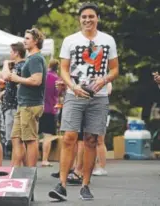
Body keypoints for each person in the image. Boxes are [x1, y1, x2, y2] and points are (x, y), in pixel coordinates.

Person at [48, 2, 119, 201]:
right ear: (80, 19)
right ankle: (61, 184)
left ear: (97, 18)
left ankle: (85, 185)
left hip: (99, 97)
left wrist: (104, 79)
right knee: (69, 137)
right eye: (84, 17)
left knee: (91, 140)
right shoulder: (70, 40)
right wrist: (72, 86)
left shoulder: (108, 40)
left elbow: (114, 69)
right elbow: (63, 68)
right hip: (74, 95)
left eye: (91, 16)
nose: (87, 20)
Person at [3, 28, 47, 167]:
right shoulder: (31, 58)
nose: (24, 40)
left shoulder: (35, 58)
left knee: (30, 140)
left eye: (27, 38)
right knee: (15, 137)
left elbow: (36, 80)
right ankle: (15, 171)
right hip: (23, 104)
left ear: (36, 41)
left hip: (30, 104)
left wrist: (17, 78)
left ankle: (30, 173)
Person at [0, 42, 26, 159]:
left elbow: (5, 76)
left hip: (13, 106)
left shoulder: (19, 66)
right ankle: (24, 169)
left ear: (16, 53)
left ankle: (16, 168)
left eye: (11, 52)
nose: (10, 54)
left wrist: (5, 64)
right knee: (18, 140)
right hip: (15, 105)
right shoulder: (22, 66)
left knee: (14, 140)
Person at [39, 59, 62, 167]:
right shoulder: (57, 79)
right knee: (47, 136)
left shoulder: (42, 75)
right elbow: (58, 93)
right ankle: (44, 160)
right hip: (50, 109)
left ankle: (31, 160)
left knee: (33, 136)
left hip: (38, 107)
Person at [93, 82, 112, 176]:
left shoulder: (106, 79)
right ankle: (93, 166)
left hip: (102, 111)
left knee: (99, 140)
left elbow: (108, 91)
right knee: (90, 139)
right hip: (91, 109)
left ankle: (101, 167)